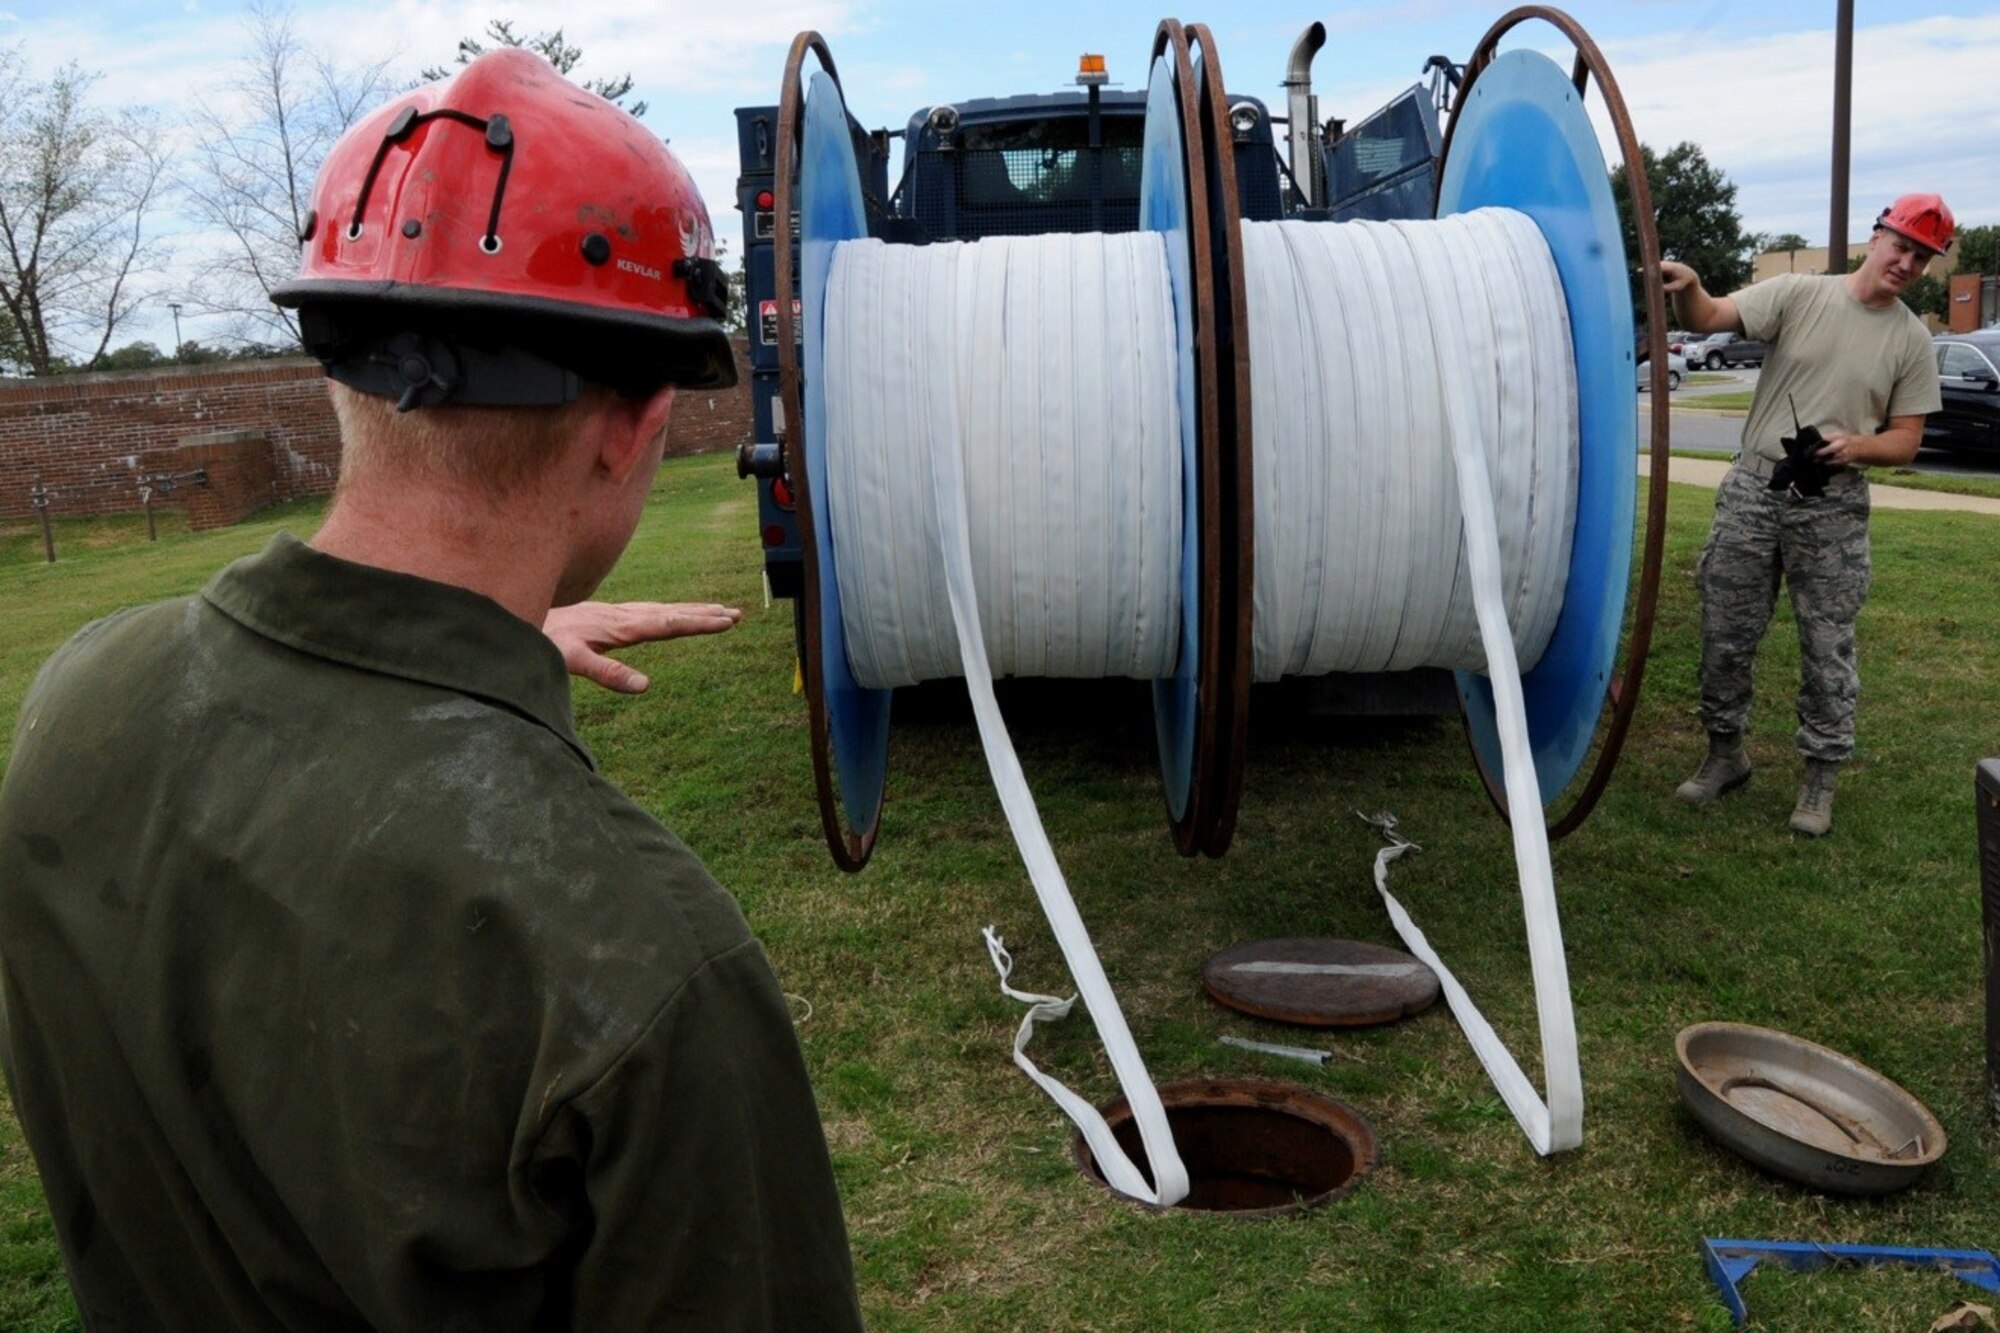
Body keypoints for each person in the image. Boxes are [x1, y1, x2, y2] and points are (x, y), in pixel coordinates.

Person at [0, 50, 862, 1329]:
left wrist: (463, 655)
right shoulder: (640, 958)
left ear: (339, 363)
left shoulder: (76, 701)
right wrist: (448, 682)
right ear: (627, 424)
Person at [1664, 193, 1951, 837]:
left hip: (1832, 506)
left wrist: (1858, 446)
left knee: (1827, 647)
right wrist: (1690, 286)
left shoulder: (1912, 340)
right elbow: (1708, 315)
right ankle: (1724, 755)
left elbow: (1905, 441)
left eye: (1921, 256)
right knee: (1725, 631)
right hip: (1753, 490)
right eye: (1900, 245)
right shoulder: (1798, 292)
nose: (1906, 262)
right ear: (1875, 237)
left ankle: (1818, 781)